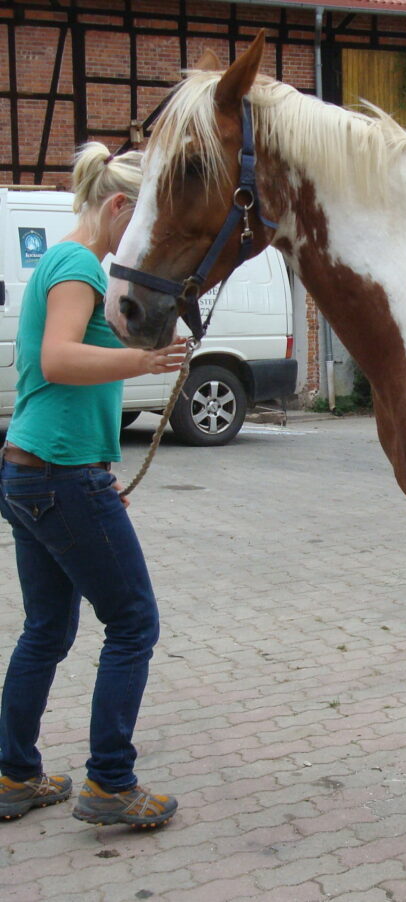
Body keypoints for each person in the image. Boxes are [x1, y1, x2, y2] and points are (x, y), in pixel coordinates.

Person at [0, 143, 186, 827]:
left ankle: (13, 775)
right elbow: (57, 359)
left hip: (38, 471)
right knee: (133, 622)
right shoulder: (79, 265)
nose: (146, 237)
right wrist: (142, 362)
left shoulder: (64, 260)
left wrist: (97, 471)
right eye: (141, 220)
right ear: (117, 207)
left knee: (47, 629)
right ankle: (110, 783)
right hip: (58, 474)